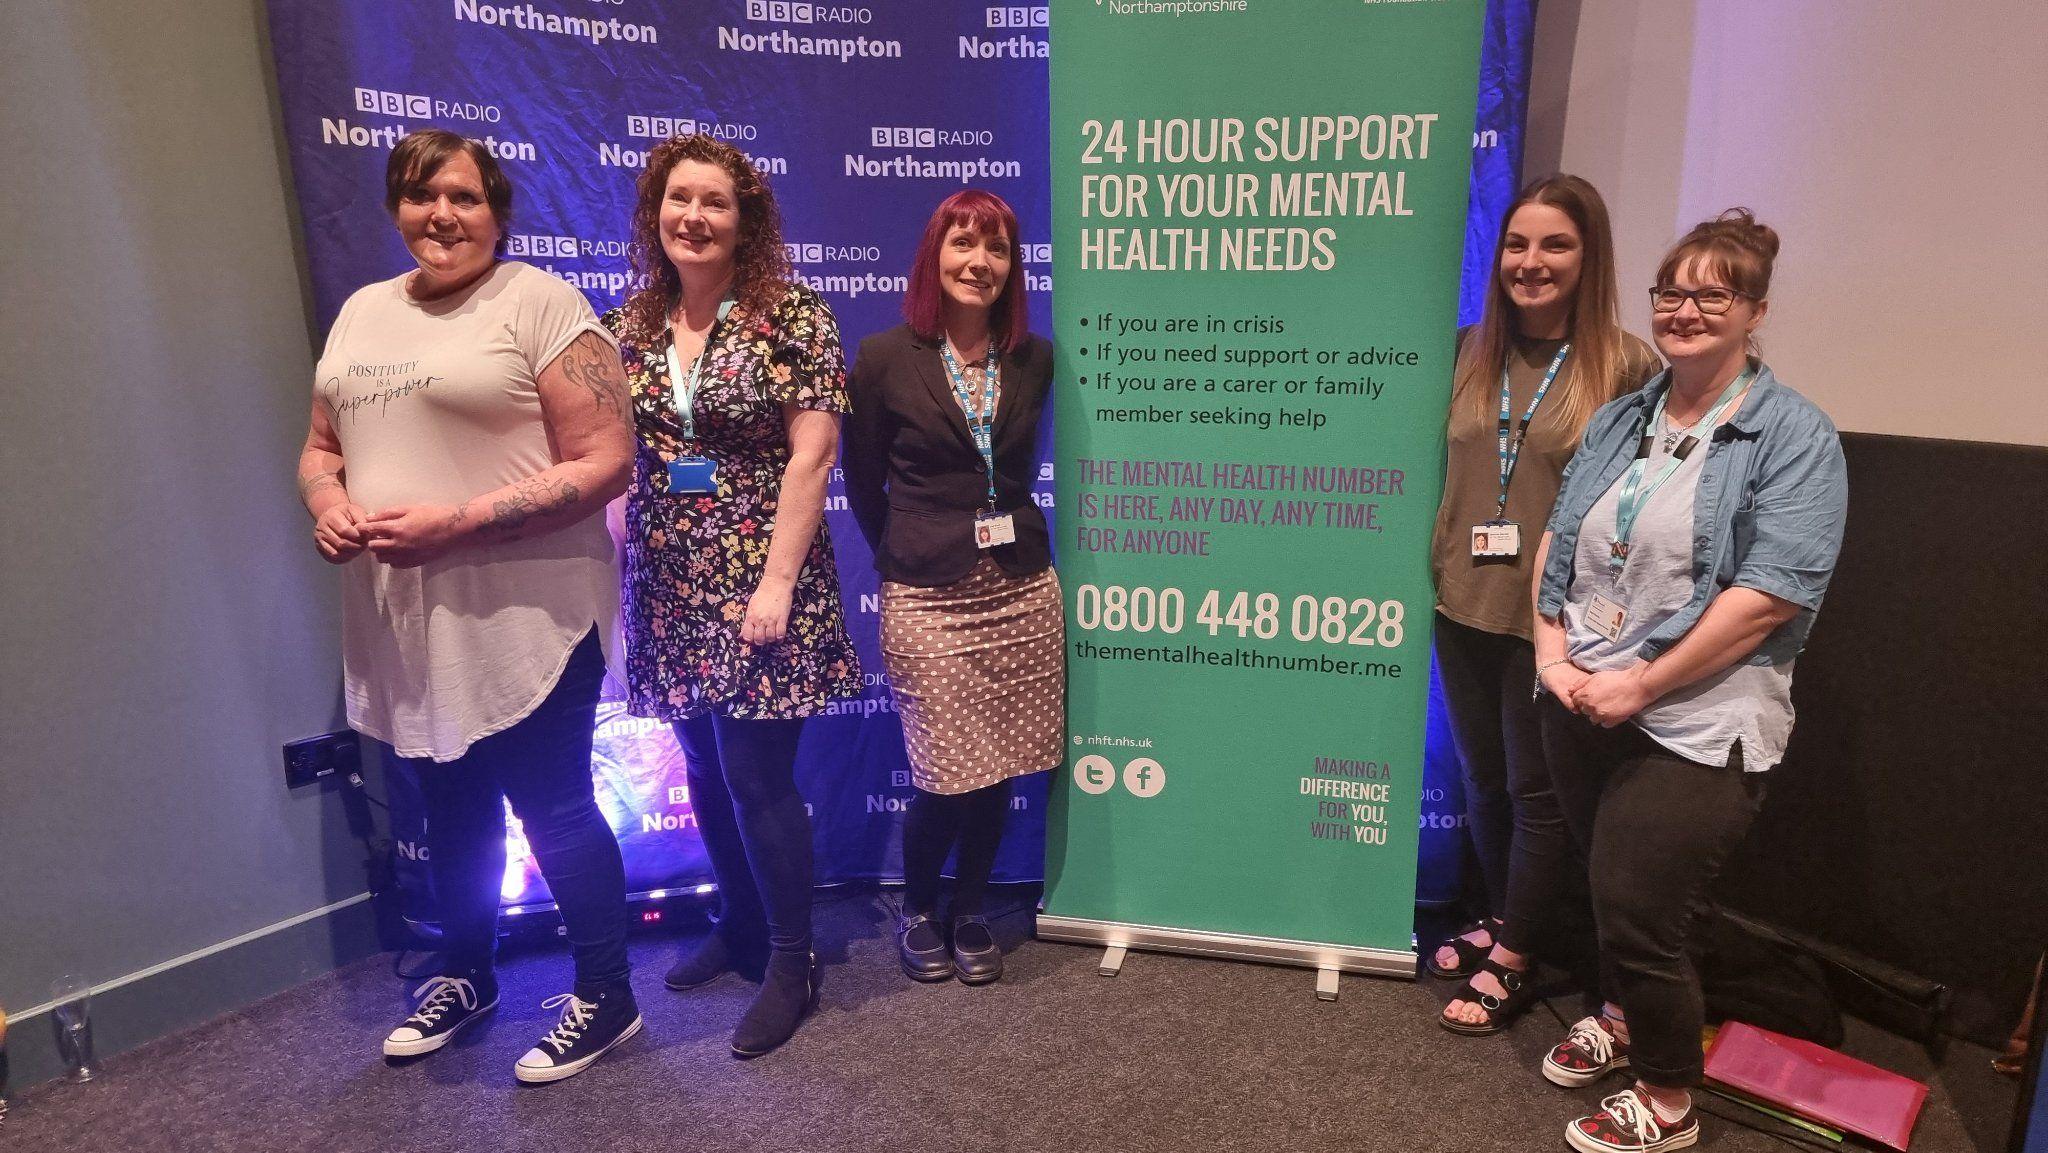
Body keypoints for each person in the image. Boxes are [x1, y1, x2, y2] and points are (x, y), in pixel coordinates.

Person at [299, 129, 639, 1084]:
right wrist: (327, 502)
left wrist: (459, 521)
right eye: (418, 196)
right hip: (407, 619)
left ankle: (607, 996)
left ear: (497, 211)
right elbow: (321, 446)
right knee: (450, 806)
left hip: (527, 613)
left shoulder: (542, 304)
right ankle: (467, 973)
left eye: (462, 197)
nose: (439, 215)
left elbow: (607, 459)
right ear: (394, 208)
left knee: (556, 808)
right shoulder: (362, 313)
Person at [1529, 209, 1848, 1152]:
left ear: (1755, 309)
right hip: (1585, 689)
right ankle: (1625, 1019)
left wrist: (1643, 684)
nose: (1685, 309)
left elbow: (1769, 596)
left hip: (1699, 715)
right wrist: (1551, 657)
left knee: (1638, 905)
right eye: (1672, 291)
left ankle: (1668, 1100)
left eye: (1714, 293)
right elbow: (1561, 539)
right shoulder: (1624, 413)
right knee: (1605, 884)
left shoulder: (1793, 435)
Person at [601, 134, 861, 1058]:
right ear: (655, 212)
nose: (694, 217)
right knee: (704, 771)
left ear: (744, 220)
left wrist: (777, 584)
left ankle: (794, 960)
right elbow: (614, 452)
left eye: (716, 202)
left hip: (761, 580)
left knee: (756, 777)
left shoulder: (791, 316)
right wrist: (624, 545)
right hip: (668, 584)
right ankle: (741, 924)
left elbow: (813, 453)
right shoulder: (631, 324)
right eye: (679, 199)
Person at [1429, 176, 1660, 1034]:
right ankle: (1505, 918)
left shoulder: (1627, 365)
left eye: (1555, 245)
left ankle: (1518, 958)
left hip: (1555, 623)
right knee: (1484, 784)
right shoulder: (1467, 351)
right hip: (1461, 599)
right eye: (1517, 245)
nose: (1531, 262)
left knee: (1537, 795)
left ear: (1588, 256)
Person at [844, 191, 1061, 986]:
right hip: (927, 594)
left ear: (1012, 267)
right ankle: (919, 909)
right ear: (935, 256)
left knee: (1000, 762)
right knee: (943, 771)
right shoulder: (882, 357)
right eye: (964, 244)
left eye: (997, 248)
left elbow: (1021, 467)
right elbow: (862, 480)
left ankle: (970, 907)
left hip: (1019, 587)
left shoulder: (1036, 359)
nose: (980, 262)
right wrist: (907, 549)